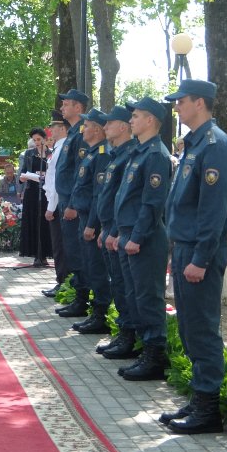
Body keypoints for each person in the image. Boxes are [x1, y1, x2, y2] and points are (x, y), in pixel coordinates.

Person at [161, 79, 227, 434]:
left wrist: (202, 258)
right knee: (190, 328)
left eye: (181, 101)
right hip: (186, 247)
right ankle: (199, 396)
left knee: (203, 329)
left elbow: (213, 211)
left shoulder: (215, 146)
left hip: (199, 251)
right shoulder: (194, 145)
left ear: (200, 103)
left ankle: (209, 407)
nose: (176, 106)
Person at [110, 97, 171, 381]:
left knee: (148, 297)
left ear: (150, 120)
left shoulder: (156, 154)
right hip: (128, 234)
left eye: (136, 116)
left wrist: (135, 236)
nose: (131, 120)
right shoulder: (139, 151)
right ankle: (141, 348)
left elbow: (152, 202)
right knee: (134, 295)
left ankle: (155, 355)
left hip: (144, 238)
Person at [95, 105, 137, 359]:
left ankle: (130, 337)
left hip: (121, 231)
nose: (105, 127)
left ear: (123, 127)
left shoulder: (129, 155)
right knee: (119, 286)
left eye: (110, 123)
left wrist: (114, 230)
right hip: (112, 230)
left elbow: (128, 201)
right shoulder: (116, 155)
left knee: (125, 287)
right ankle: (124, 333)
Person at [69, 109, 112, 334]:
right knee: (88, 265)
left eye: (87, 125)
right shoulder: (93, 152)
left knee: (97, 269)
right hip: (85, 217)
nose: (83, 129)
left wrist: (92, 224)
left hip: (92, 221)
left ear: (96, 128)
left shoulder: (103, 154)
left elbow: (99, 193)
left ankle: (101, 314)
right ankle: (95, 311)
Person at [52, 89, 92, 318]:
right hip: (67, 201)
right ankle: (79, 297)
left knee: (78, 254)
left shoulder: (82, 134)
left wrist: (74, 204)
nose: (63, 107)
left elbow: (81, 174)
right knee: (72, 252)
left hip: (74, 205)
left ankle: (82, 300)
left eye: (67, 104)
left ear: (78, 108)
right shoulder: (73, 133)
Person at [41, 118, 69, 296]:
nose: (51, 129)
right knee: (58, 245)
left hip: (57, 204)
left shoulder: (62, 148)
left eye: (54, 126)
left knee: (60, 245)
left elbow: (57, 181)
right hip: (56, 203)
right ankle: (62, 280)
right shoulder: (58, 148)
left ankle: (63, 281)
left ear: (62, 128)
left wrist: (51, 206)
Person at [19, 127, 51, 268]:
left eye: (39, 139)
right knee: (33, 222)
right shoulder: (29, 154)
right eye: (34, 140)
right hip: (32, 192)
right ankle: (36, 255)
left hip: (47, 193)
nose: (37, 142)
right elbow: (23, 172)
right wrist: (24, 177)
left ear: (45, 139)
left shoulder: (51, 154)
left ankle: (45, 254)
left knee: (45, 223)